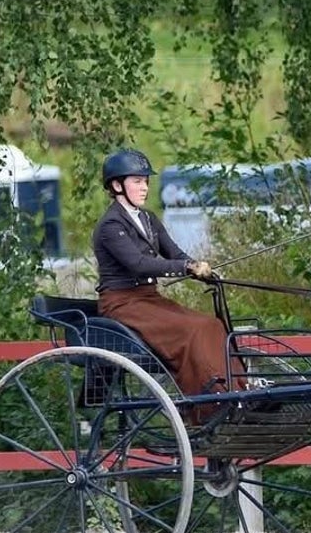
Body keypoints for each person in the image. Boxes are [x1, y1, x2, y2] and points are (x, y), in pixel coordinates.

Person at [93, 148, 232, 398]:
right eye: (137, 181)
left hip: (149, 299)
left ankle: (237, 391)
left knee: (211, 324)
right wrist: (185, 268)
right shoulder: (110, 225)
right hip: (123, 303)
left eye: (146, 181)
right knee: (194, 330)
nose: (145, 187)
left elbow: (174, 253)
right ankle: (211, 402)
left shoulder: (148, 218)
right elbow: (139, 264)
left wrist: (198, 266)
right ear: (116, 185)